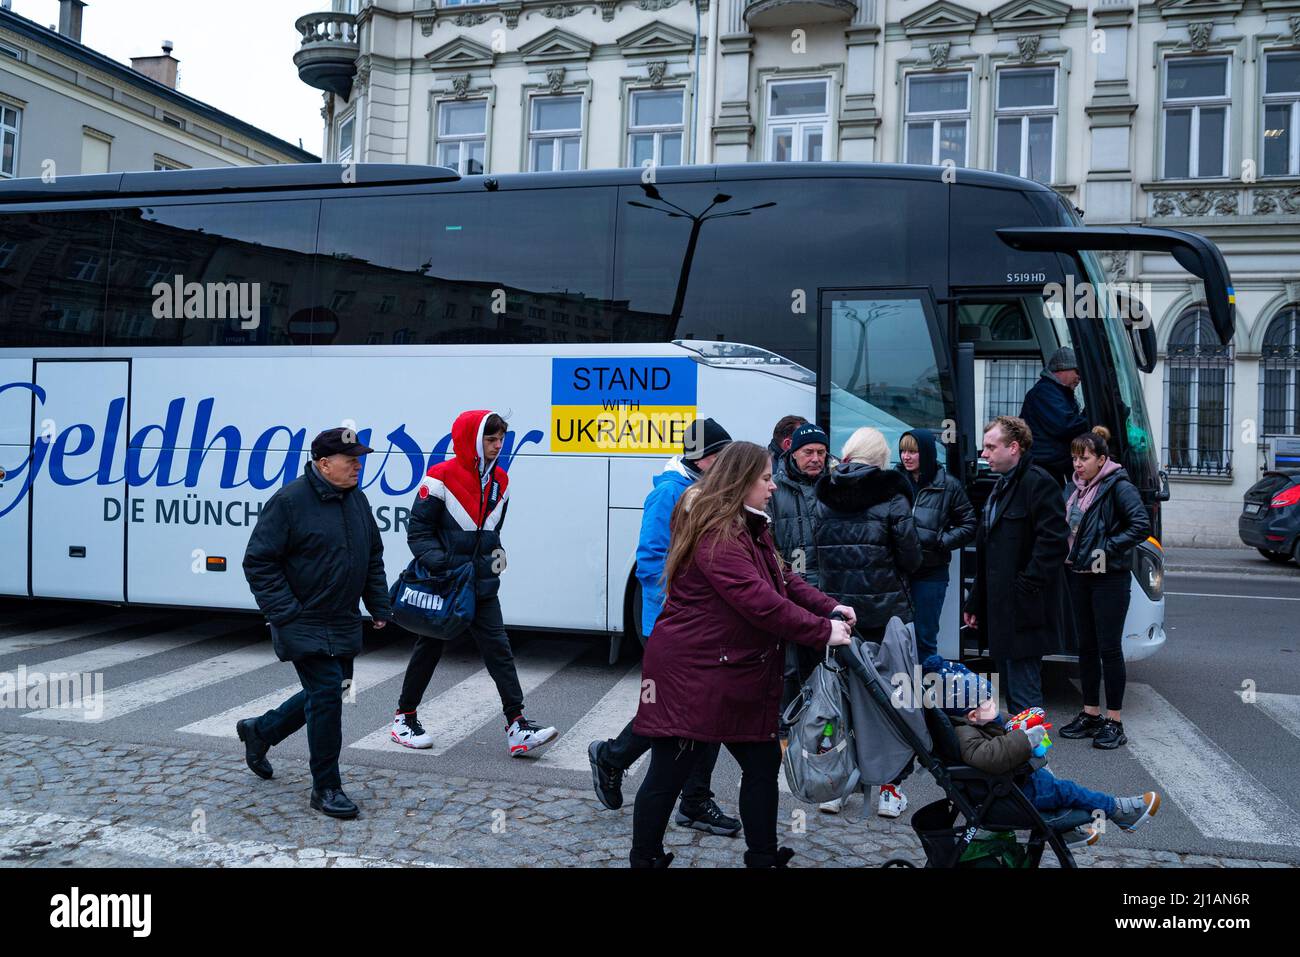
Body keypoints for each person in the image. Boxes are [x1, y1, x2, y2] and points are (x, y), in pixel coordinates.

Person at [628, 442, 855, 868]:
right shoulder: (719, 534)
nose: (772, 487)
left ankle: (763, 856)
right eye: (765, 479)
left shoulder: (749, 525)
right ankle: (645, 858)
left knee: (761, 761)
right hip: (693, 672)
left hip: (726, 671)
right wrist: (824, 631)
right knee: (670, 770)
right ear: (740, 482)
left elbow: (783, 579)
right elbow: (761, 603)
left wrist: (828, 606)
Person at [588, 417, 743, 838]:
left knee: (706, 710)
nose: (728, 462)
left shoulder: (708, 490)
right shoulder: (669, 493)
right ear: (704, 457)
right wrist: (676, 614)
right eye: (722, 455)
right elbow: (651, 560)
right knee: (674, 714)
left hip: (703, 624)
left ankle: (692, 801)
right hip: (671, 625)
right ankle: (613, 758)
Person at [238, 427, 393, 820]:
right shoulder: (290, 501)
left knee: (331, 690)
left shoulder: (356, 499)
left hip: (341, 618)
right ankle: (326, 787)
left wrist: (378, 604)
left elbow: (371, 555)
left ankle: (261, 732)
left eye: (360, 459)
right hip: (303, 619)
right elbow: (259, 560)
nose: (358, 465)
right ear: (324, 464)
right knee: (326, 694)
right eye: (351, 459)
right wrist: (285, 612)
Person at [389, 410, 559, 757]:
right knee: (430, 647)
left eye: (501, 440)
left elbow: (493, 535)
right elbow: (418, 535)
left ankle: (517, 725)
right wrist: (446, 568)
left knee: (499, 651)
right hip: (446, 584)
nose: (498, 446)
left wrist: (496, 563)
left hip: (481, 586)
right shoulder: (439, 477)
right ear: (472, 439)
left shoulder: (502, 482)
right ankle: (404, 718)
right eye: (490, 439)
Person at [814, 426, 923, 818]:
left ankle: (837, 786)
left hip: (839, 616)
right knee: (897, 702)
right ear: (880, 458)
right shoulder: (893, 497)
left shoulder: (823, 495)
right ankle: (892, 791)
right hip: (887, 615)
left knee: (840, 703)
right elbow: (911, 557)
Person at [940, 672, 1160, 839]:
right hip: (1011, 791)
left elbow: (998, 727)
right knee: (1069, 791)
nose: (994, 704)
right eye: (989, 702)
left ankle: (1066, 833)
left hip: (1016, 783)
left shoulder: (977, 722)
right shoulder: (966, 734)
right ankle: (1119, 810)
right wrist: (1024, 739)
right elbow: (988, 755)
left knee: (1063, 791)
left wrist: (1016, 722)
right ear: (972, 715)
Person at [963, 416, 1069, 717]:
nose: (984, 454)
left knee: (1024, 699)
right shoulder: (1002, 486)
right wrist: (975, 600)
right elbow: (989, 553)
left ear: (1014, 448)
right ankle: (1022, 757)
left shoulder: (1038, 483)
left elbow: (1054, 544)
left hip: (1024, 613)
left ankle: (1035, 761)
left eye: (990, 447)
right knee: (1013, 697)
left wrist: (1024, 588)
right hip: (1002, 613)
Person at [1058, 426, 1151, 750]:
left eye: (1084, 458)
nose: (1078, 464)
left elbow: (1140, 525)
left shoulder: (1117, 486)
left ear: (1101, 459)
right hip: (1081, 573)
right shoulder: (1079, 488)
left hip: (1109, 576)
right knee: (1086, 647)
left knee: (1109, 649)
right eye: (1074, 458)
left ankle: (1114, 720)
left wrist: (1106, 547)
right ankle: (1090, 714)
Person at [769, 422, 832, 751]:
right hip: (791, 590)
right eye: (809, 452)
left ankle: (820, 725)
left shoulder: (834, 486)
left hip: (826, 591)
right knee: (791, 665)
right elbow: (767, 544)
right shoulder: (775, 490)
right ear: (792, 453)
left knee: (824, 664)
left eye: (821, 452)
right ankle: (785, 725)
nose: (816, 459)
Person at [897, 429, 977, 664]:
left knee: (925, 636)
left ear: (927, 454)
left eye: (913, 451)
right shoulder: (894, 482)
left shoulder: (948, 485)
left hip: (931, 573)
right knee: (897, 637)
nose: (906, 457)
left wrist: (942, 542)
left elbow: (969, 524)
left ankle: (925, 695)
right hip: (897, 573)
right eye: (903, 451)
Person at [1019, 347, 1089, 488]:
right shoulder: (1045, 393)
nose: (1080, 378)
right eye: (1077, 371)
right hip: (1043, 469)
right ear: (1062, 369)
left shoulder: (1059, 393)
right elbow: (1065, 426)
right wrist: (1091, 418)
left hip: (1049, 468)